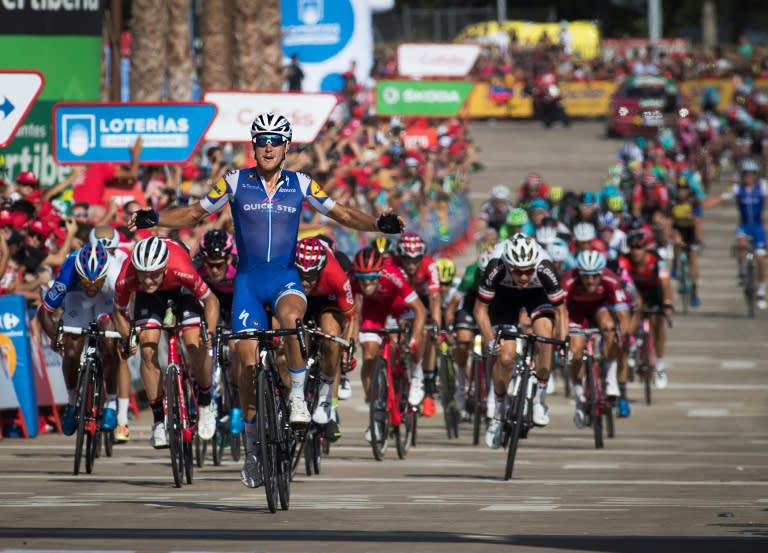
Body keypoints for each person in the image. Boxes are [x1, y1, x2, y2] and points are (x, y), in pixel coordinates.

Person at [129, 112, 404, 488]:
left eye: (276, 140)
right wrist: (155, 217)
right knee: (244, 364)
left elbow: (340, 212)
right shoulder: (235, 181)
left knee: (291, 321)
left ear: (287, 146)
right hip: (248, 283)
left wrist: (376, 223)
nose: (269, 146)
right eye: (262, 140)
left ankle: (296, 398)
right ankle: (255, 445)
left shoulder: (301, 183)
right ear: (253, 146)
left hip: (284, 279)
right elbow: (194, 212)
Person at [112, 236, 220, 449]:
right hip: (148, 299)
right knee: (147, 347)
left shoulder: (181, 267)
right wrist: (128, 338)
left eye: (153, 275)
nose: (149, 280)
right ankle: (159, 421)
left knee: (194, 342)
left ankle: (206, 401)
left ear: (163, 268)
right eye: (143, 274)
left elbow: (211, 300)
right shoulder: (127, 277)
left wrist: (209, 331)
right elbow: (119, 312)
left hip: (181, 289)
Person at [474, 235, 568, 449]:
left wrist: (562, 343)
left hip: (537, 295)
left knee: (545, 336)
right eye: (518, 271)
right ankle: (498, 415)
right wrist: (490, 341)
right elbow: (480, 310)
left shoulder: (545, 268)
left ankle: (540, 400)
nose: (524, 276)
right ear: (508, 264)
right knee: (506, 358)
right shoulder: (495, 266)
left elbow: (561, 311)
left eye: (528, 270)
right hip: (504, 297)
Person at [36, 241, 122, 437]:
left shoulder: (115, 274)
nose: (91, 286)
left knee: (110, 341)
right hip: (76, 295)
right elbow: (45, 311)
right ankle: (72, 401)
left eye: (95, 282)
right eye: (87, 281)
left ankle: (110, 403)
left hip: (106, 297)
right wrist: (55, 337)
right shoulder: (69, 272)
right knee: (72, 349)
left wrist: (126, 338)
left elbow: (125, 312)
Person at [350, 246, 426, 442]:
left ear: (380, 273)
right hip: (373, 310)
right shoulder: (351, 278)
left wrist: (415, 339)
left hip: (398, 306)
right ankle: (375, 406)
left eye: (371, 279)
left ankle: (414, 373)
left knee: (400, 340)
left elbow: (420, 310)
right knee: (368, 355)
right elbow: (348, 311)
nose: (366, 284)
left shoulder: (393, 276)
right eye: (362, 278)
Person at [295, 236, 357, 442]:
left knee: (331, 337)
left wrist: (347, 348)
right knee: (291, 334)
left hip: (327, 299)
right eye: (301, 274)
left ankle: (326, 396)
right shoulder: (287, 268)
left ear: (321, 269)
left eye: (311, 276)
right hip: (298, 299)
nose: (306, 281)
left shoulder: (336, 275)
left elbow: (350, 318)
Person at [562, 250, 631, 423]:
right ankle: (579, 394)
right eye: (586, 276)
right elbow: (560, 312)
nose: (590, 280)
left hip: (600, 309)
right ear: (579, 273)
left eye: (594, 276)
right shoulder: (569, 279)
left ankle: (610, 379)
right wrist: (563, 340)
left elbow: (623, 316)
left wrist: (621, 339)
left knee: (609, 328)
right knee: (576, 349)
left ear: (601, 273)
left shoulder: (610, 279)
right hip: (576, 313)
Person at [196, 229, 244, 436]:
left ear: (230, 258)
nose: (214, 270)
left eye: (219, 265)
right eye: (209, 265)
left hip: (236, 301)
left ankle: (235, 400)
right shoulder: (197, 269)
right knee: (201, 342)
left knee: (235, 348)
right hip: (209, 300)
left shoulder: (240, 267)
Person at [89, 226, 133, 441]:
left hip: (117, 302)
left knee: (119, 353)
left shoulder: (120, 266)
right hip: (93, 299)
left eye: (111, 250)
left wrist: (125, 335)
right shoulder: (84, 258)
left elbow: (123, 307)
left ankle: (121, 417)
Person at [704, 157, 766, 309]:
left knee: (760, 259)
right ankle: (741, 271)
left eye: (751, 174)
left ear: (755, 174)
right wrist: (700, 207)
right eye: (746, 174)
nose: (748, 177)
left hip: (758, 228)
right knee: (741, 243)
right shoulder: (737, 189)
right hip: (744, 226)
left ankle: (761, 291)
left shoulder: (763, 187)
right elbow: (719, 199)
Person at [389, 232, 440, 417]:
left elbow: (435, 298)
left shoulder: (429, 265)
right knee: (393, 333)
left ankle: (424, 377)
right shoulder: (392, 264)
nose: (411, 265)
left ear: (422, 256)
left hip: (422, 298)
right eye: (406, 260)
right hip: (400, 298)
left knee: (428, 333)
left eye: (415, 260)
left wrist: (436, 324)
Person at [619, 230, 674, 389]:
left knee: (658, 324)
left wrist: (667, 303)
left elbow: (665, 284)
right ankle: (632, 345)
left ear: (645, 249)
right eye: (633, 248)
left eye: (640, 248)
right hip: (635, 291)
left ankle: (659, 365)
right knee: (633, 312)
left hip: (655, 292)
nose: (636, 251)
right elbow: (622, 281)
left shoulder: (657, 261)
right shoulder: (625, 260)